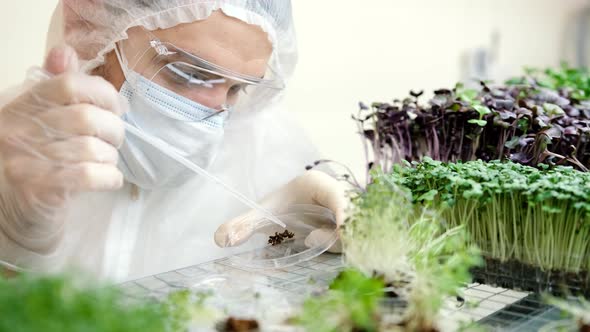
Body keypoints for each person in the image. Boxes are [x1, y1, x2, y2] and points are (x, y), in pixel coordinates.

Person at [0, 0, 347, 281]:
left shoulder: (269, 145)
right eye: (188, 73)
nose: (214, 115)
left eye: (237, 88)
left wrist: (327, 241)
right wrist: (11, 241)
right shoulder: (14, 144)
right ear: (85, 26)